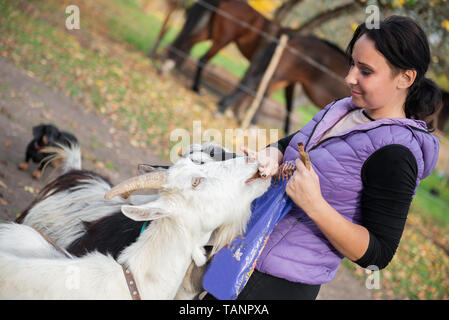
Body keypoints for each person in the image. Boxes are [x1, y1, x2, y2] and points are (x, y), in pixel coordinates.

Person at [205, 15, 442, 300]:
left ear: (405, 78)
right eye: (352, 63)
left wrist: (314, 204)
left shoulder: (396, 154)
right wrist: (272, 155)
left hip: (278, 284)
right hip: (241, 248)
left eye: (365, 71)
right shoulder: (342, 109)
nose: (349, 77)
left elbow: (378, 254)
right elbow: (292, 143)